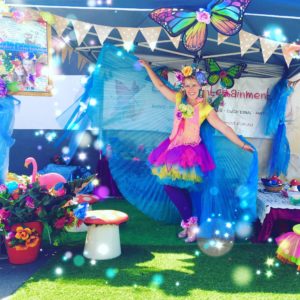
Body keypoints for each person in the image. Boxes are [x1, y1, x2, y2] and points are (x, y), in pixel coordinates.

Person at [139, 60, 254, 243]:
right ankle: (189, 222)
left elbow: (223, 127)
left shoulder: (205, 108)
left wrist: (241, 144)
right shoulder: (178, 98)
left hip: (190, 152)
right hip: (171, 148)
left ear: (200, 86)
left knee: (188, 189)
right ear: (182, 86)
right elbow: (160, 85)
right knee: (170, 186)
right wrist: (147, 67)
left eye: (194, 85)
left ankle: (192, 225)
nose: (191, 89)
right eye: (187, 85)